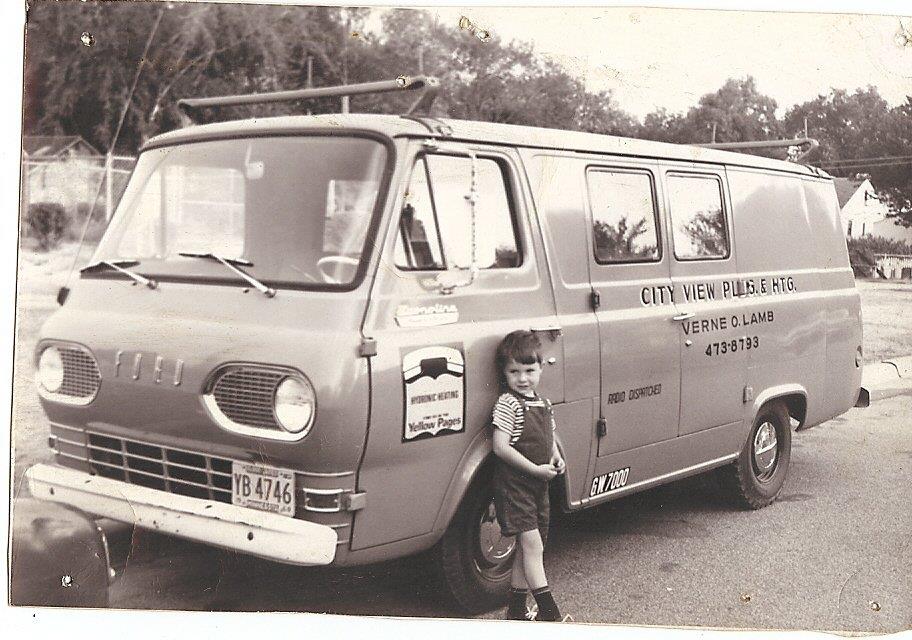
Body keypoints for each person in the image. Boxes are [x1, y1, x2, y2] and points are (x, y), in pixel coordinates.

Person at [490, 330, 568, 622]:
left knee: (529, 548)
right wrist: (535, 469)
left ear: (541, 368)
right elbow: (500, 447)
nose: (522, 379)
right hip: (515, 487)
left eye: (529, 371)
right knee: (532, 545)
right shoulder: (509, 404)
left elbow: (550, 439)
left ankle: (516, 611)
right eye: (514, 372)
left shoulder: (542, 405)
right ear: (504, 373)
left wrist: (555, 457)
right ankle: (550, 612)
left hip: (537, 487)